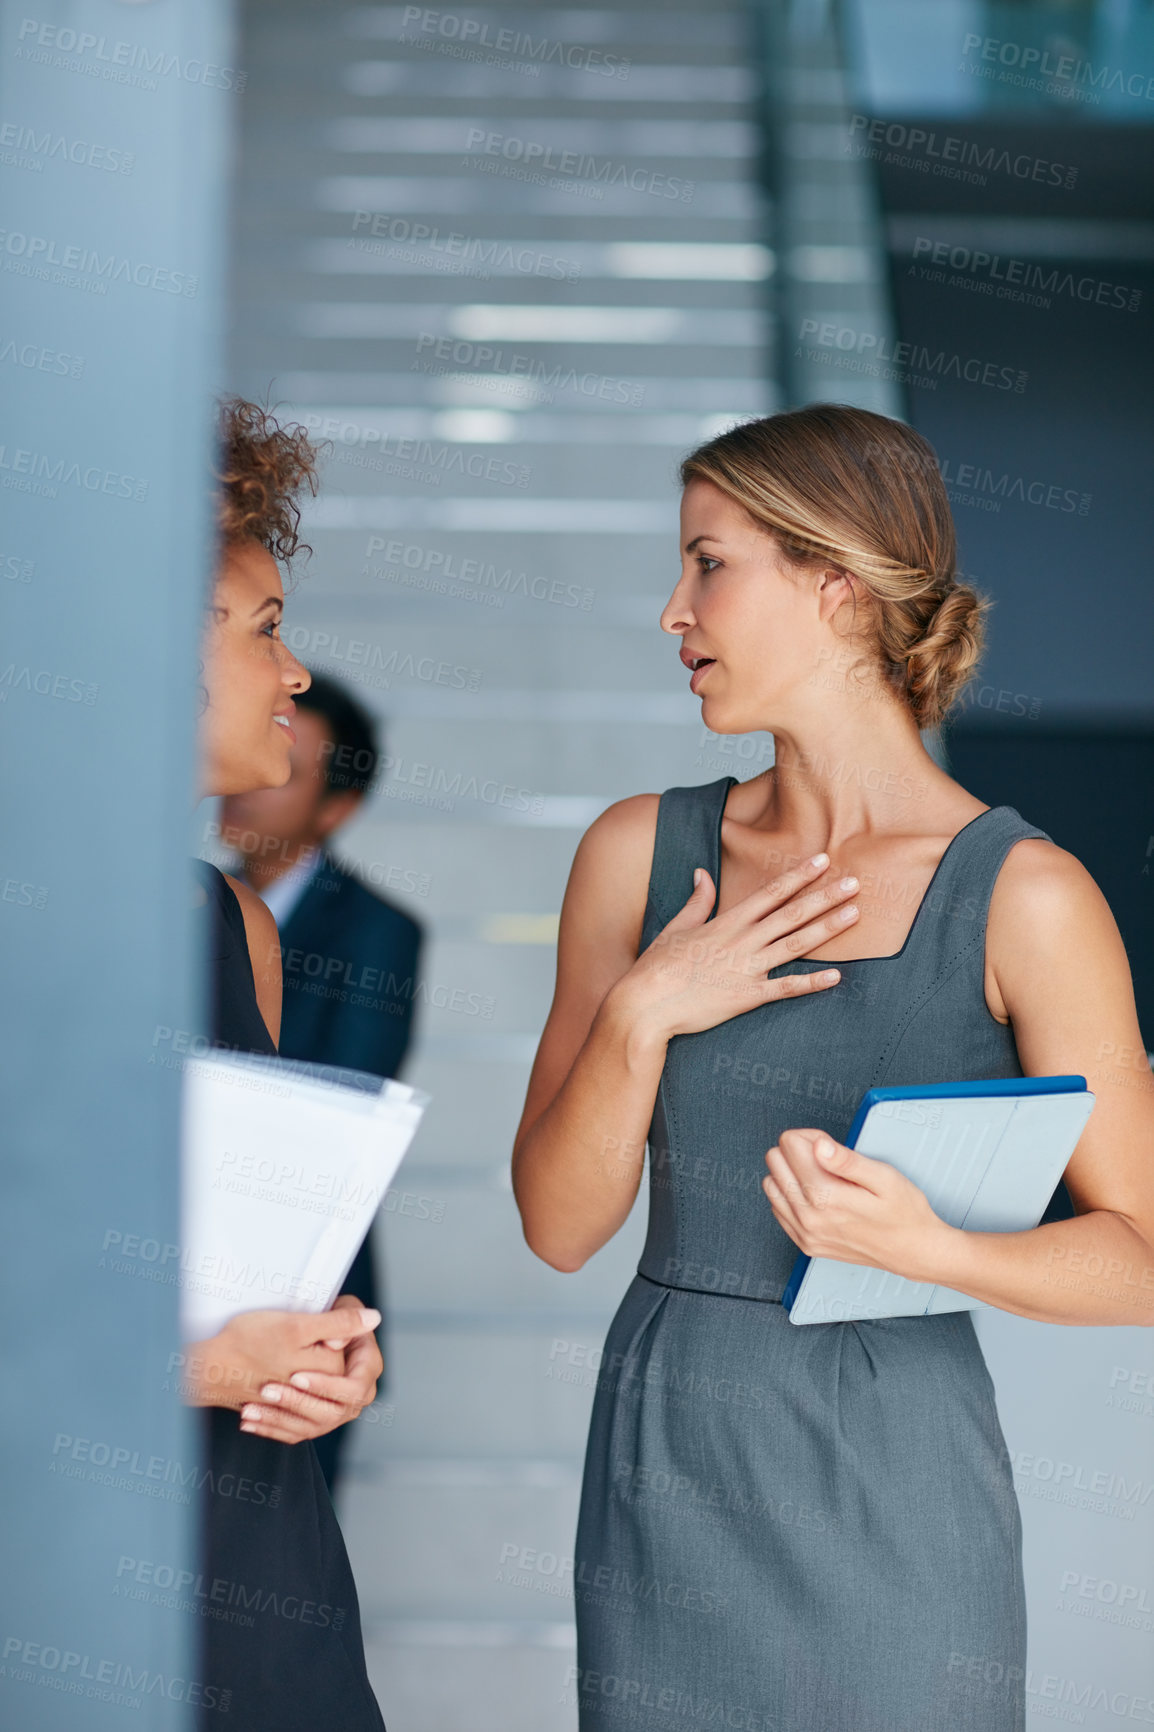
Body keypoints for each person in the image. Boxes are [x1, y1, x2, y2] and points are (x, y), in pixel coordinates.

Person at [512, 405, 1154, 1732]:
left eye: (706, 564)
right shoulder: (633, 854)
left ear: (834, 585)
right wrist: (645, 1012)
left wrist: (941, 1250)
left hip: (898, 1476)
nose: (670, 611)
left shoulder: (1026, 898)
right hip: (667, 1455)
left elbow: (1142, 1254)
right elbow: (560, 1227)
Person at [187, 398, 386, 1730]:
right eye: (263, 632)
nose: (294, 673)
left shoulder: (232, 926)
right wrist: (197, 1367)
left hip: (259, 1552)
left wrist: (326, 1355)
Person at [220, 672, 423, 1490]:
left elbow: (340, 1106)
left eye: (288, 766)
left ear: (337, 808)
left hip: (302, 1287)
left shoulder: (377, 931)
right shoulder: (193, 907)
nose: (252, 782)